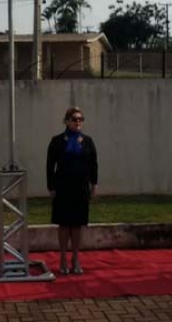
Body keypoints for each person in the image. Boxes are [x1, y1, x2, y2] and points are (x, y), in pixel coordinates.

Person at [46, 106, 98, 275]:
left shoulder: (88, 141)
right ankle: (62, 257)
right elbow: (49, 166)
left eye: (80, 119)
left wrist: (94, 185)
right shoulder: (57, 141)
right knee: (64, 225)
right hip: (62, 187)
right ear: (66, 121)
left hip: (81, 188)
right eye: (74, 119)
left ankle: (75, 257)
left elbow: (93, 165)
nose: (77, 122)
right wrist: (51, 186)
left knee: (77, 225)